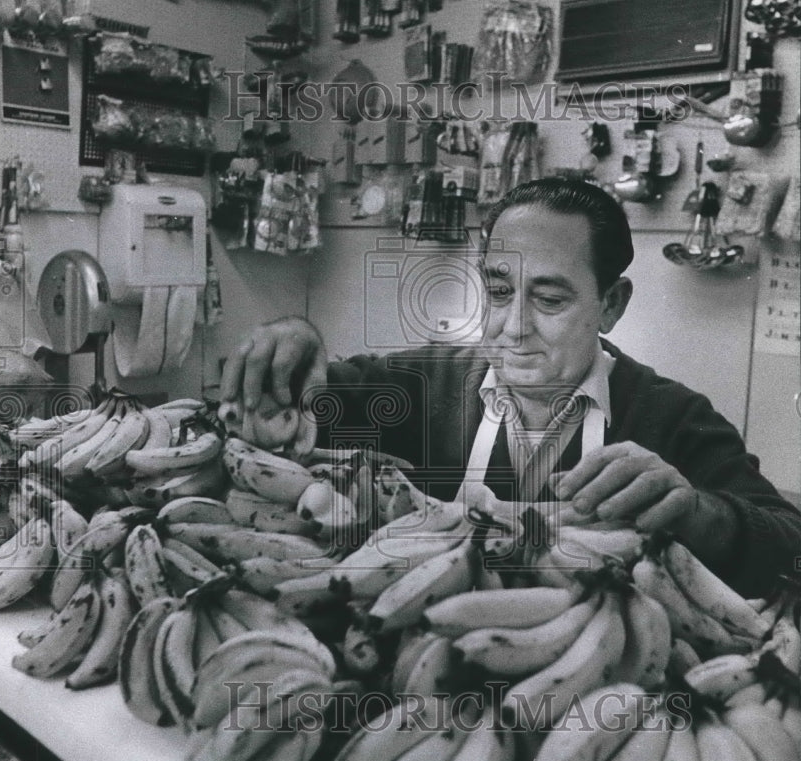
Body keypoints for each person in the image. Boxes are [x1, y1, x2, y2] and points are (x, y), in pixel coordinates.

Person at [221, 178, 801, 595]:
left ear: (611, 305)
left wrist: (699, 513)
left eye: (549, 299)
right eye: (499, 292)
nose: (513, 326)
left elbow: (787, 543)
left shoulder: (672, 417)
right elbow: (307, 399)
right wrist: (289, 353)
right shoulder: (420, 385)